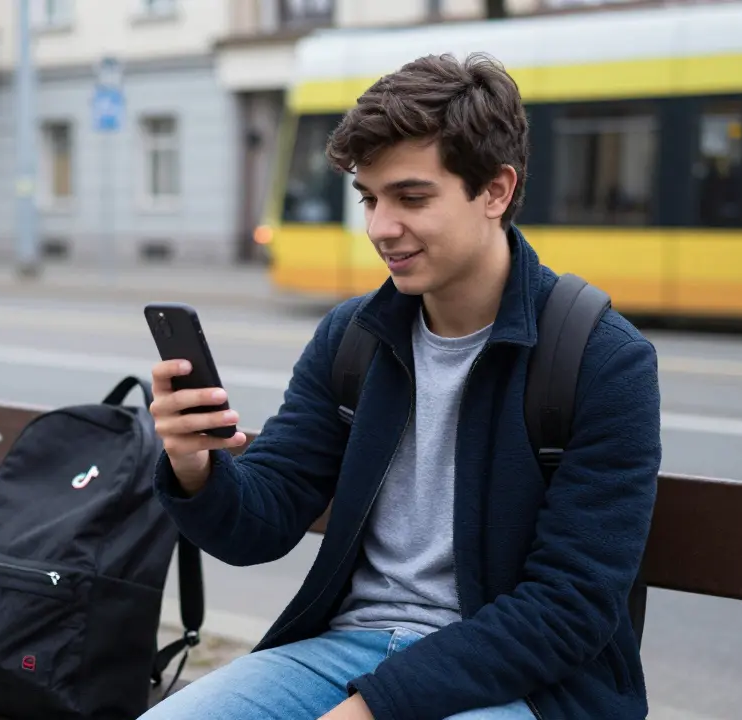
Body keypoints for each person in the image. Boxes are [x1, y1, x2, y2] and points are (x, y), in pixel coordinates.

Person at [140, 52, 661, 720]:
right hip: (340, 652)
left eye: (412, 197)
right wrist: (193, 464)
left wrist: (373, 708)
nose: (381, 227)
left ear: (495, 191)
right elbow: (259, 525)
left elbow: (568, 608)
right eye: (370, 198)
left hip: (519, 680)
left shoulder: (601, 359)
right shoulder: (354, 336)